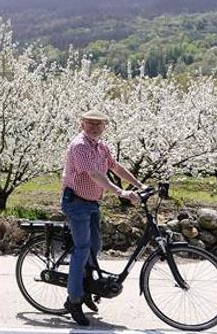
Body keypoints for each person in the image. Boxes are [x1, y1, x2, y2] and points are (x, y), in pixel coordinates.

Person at [60, 110, 144, 327]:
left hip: (92, 202)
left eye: (99, 124)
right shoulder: (79, 145)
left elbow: (114, 167)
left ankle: (86, 286)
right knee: (82, 249)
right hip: (76, 202)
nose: (95, 127)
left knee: (95, 246)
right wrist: (120, 192)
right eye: (91, 123)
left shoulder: (101, 146)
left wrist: (139, 185)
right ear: (82, 123)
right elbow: (94, 175)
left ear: (105, 126)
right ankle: (74, 300)